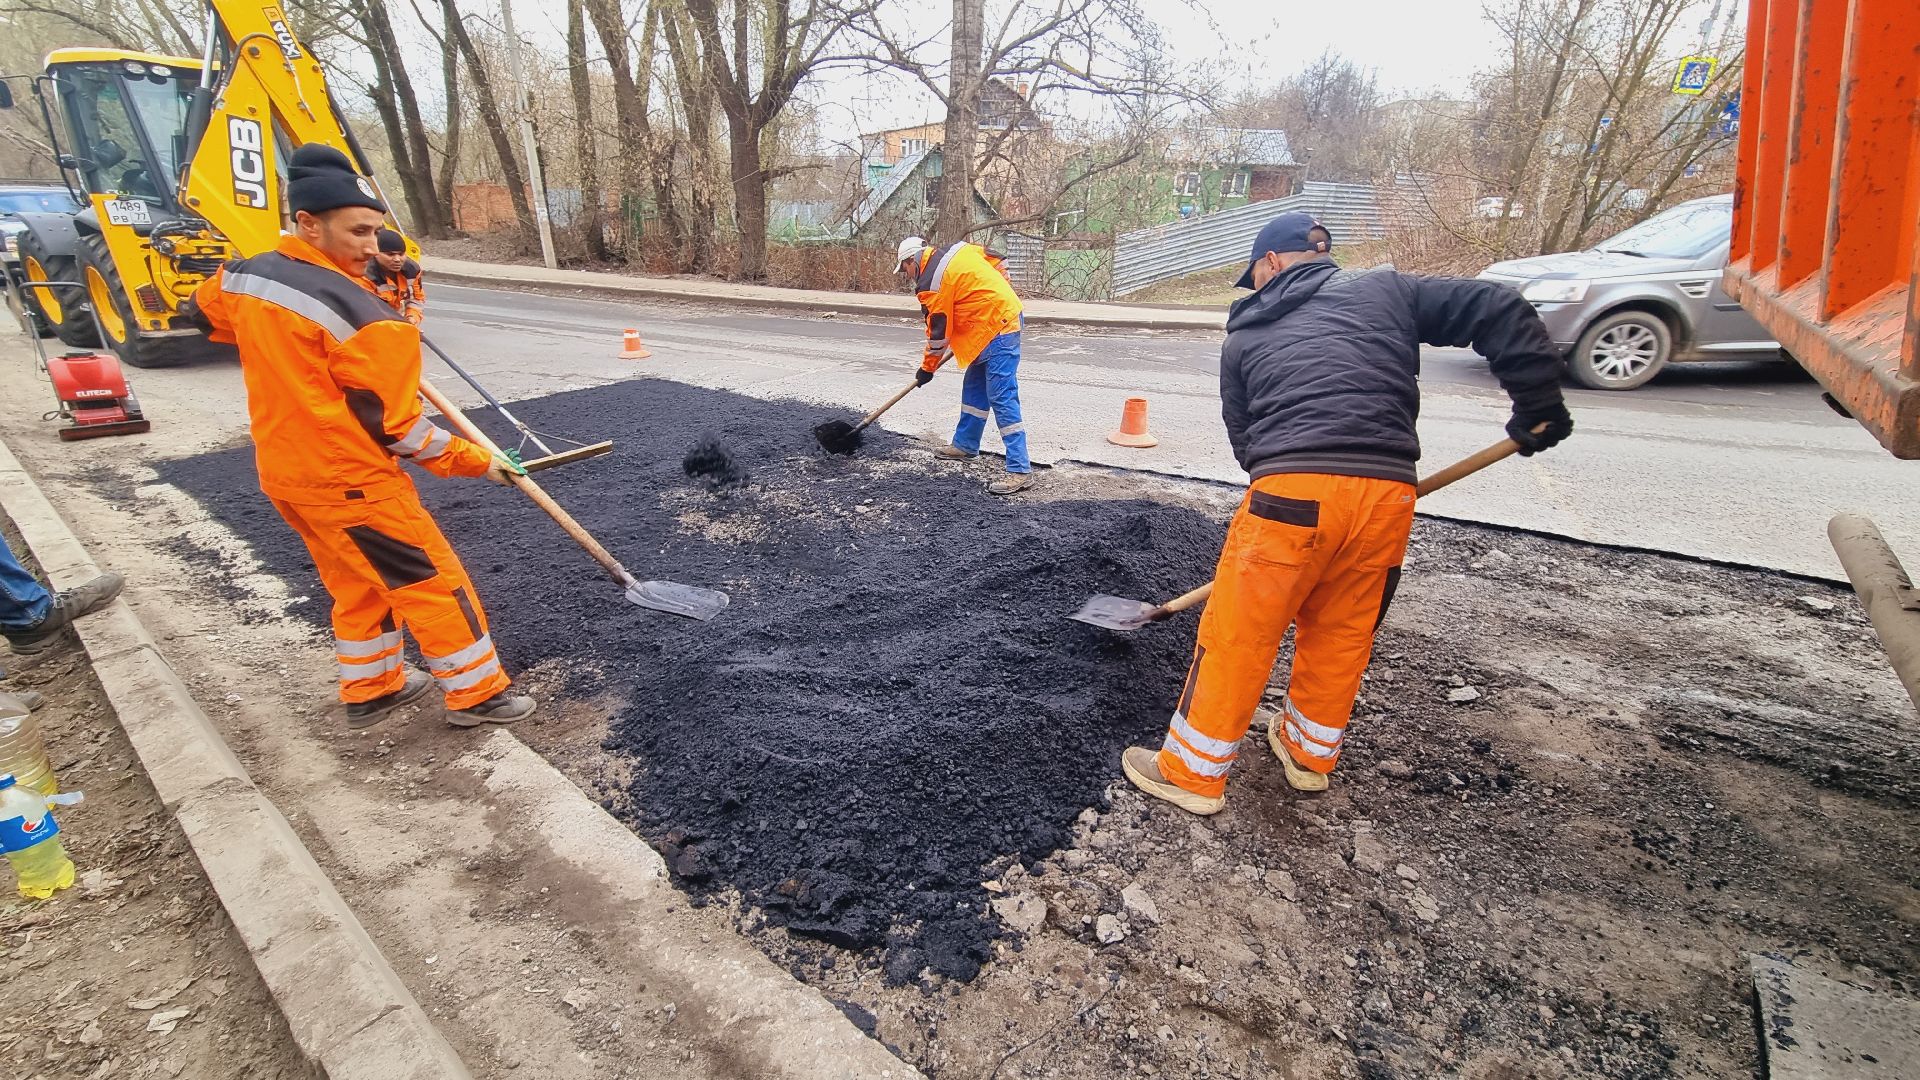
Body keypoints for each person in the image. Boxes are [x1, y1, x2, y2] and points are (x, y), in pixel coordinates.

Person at [1121, 211, 1574, 816]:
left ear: (1273, 262)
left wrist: (1289, 489)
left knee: (1240, 633)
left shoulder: (1247, 336)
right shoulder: (1388, 289)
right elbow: (1497, 304)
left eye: (1253, 275)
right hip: (1389, 497)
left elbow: (1246, 439)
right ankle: (1308, 756)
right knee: (1342, 631)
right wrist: (1537, 404)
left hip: (1290, 494)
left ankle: (1190, 774)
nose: (1253, 289)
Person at [185, 144, 534, 729]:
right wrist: (481, 461)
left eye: (376, 232)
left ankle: (372, 688)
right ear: (307, 223)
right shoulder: (366, 317)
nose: (373, 248)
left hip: (287, 475)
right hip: (352, 482)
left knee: (357, 583)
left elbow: (202, 314)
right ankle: (477, 696)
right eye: (360, 233)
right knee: (431, 583)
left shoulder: (244, 276)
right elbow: (402, 431)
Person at [896, 236, 1032, 495]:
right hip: (986, 325)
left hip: (998, 327)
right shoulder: (957, 249)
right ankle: (966, 445)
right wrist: (999, 291)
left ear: (912, 260)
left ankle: (1020, 469)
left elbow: (938, 335)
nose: (906, 274)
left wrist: (927, 368)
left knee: (1002, 398)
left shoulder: (930, 284)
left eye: (904, 268)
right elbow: (996, 258)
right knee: (974, 388)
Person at [366, 229, 426, 325]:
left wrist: (411, 318)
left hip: (395, 320)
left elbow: (416, 298)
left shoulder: (412, 270)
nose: (397, 259)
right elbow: (366, 310)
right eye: (390, 254)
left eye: (401, 254)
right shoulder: (365, 274)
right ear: (375, 254)